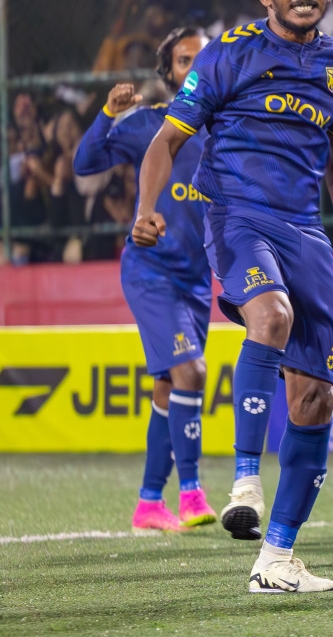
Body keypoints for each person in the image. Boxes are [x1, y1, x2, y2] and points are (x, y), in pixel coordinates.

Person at [132, 0, 333, 594]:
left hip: (306, 235)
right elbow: (166, 140)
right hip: (239, 218)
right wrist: (146, 207)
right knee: (269, 317)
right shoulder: (228, 56)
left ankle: (276, 559)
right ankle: (245, 478)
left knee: (314, 398)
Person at [74, 26, 215, 533]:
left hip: (199, 281)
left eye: (204, 57)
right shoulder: (149, 125)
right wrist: (109, 112)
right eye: (184, 60)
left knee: (166, 387)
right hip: (150, 269)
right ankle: (193, 492)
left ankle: (149, 503)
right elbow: (84, 162)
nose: (195, 66)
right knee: (192, 373)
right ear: (170, 73)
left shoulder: (233, 132)